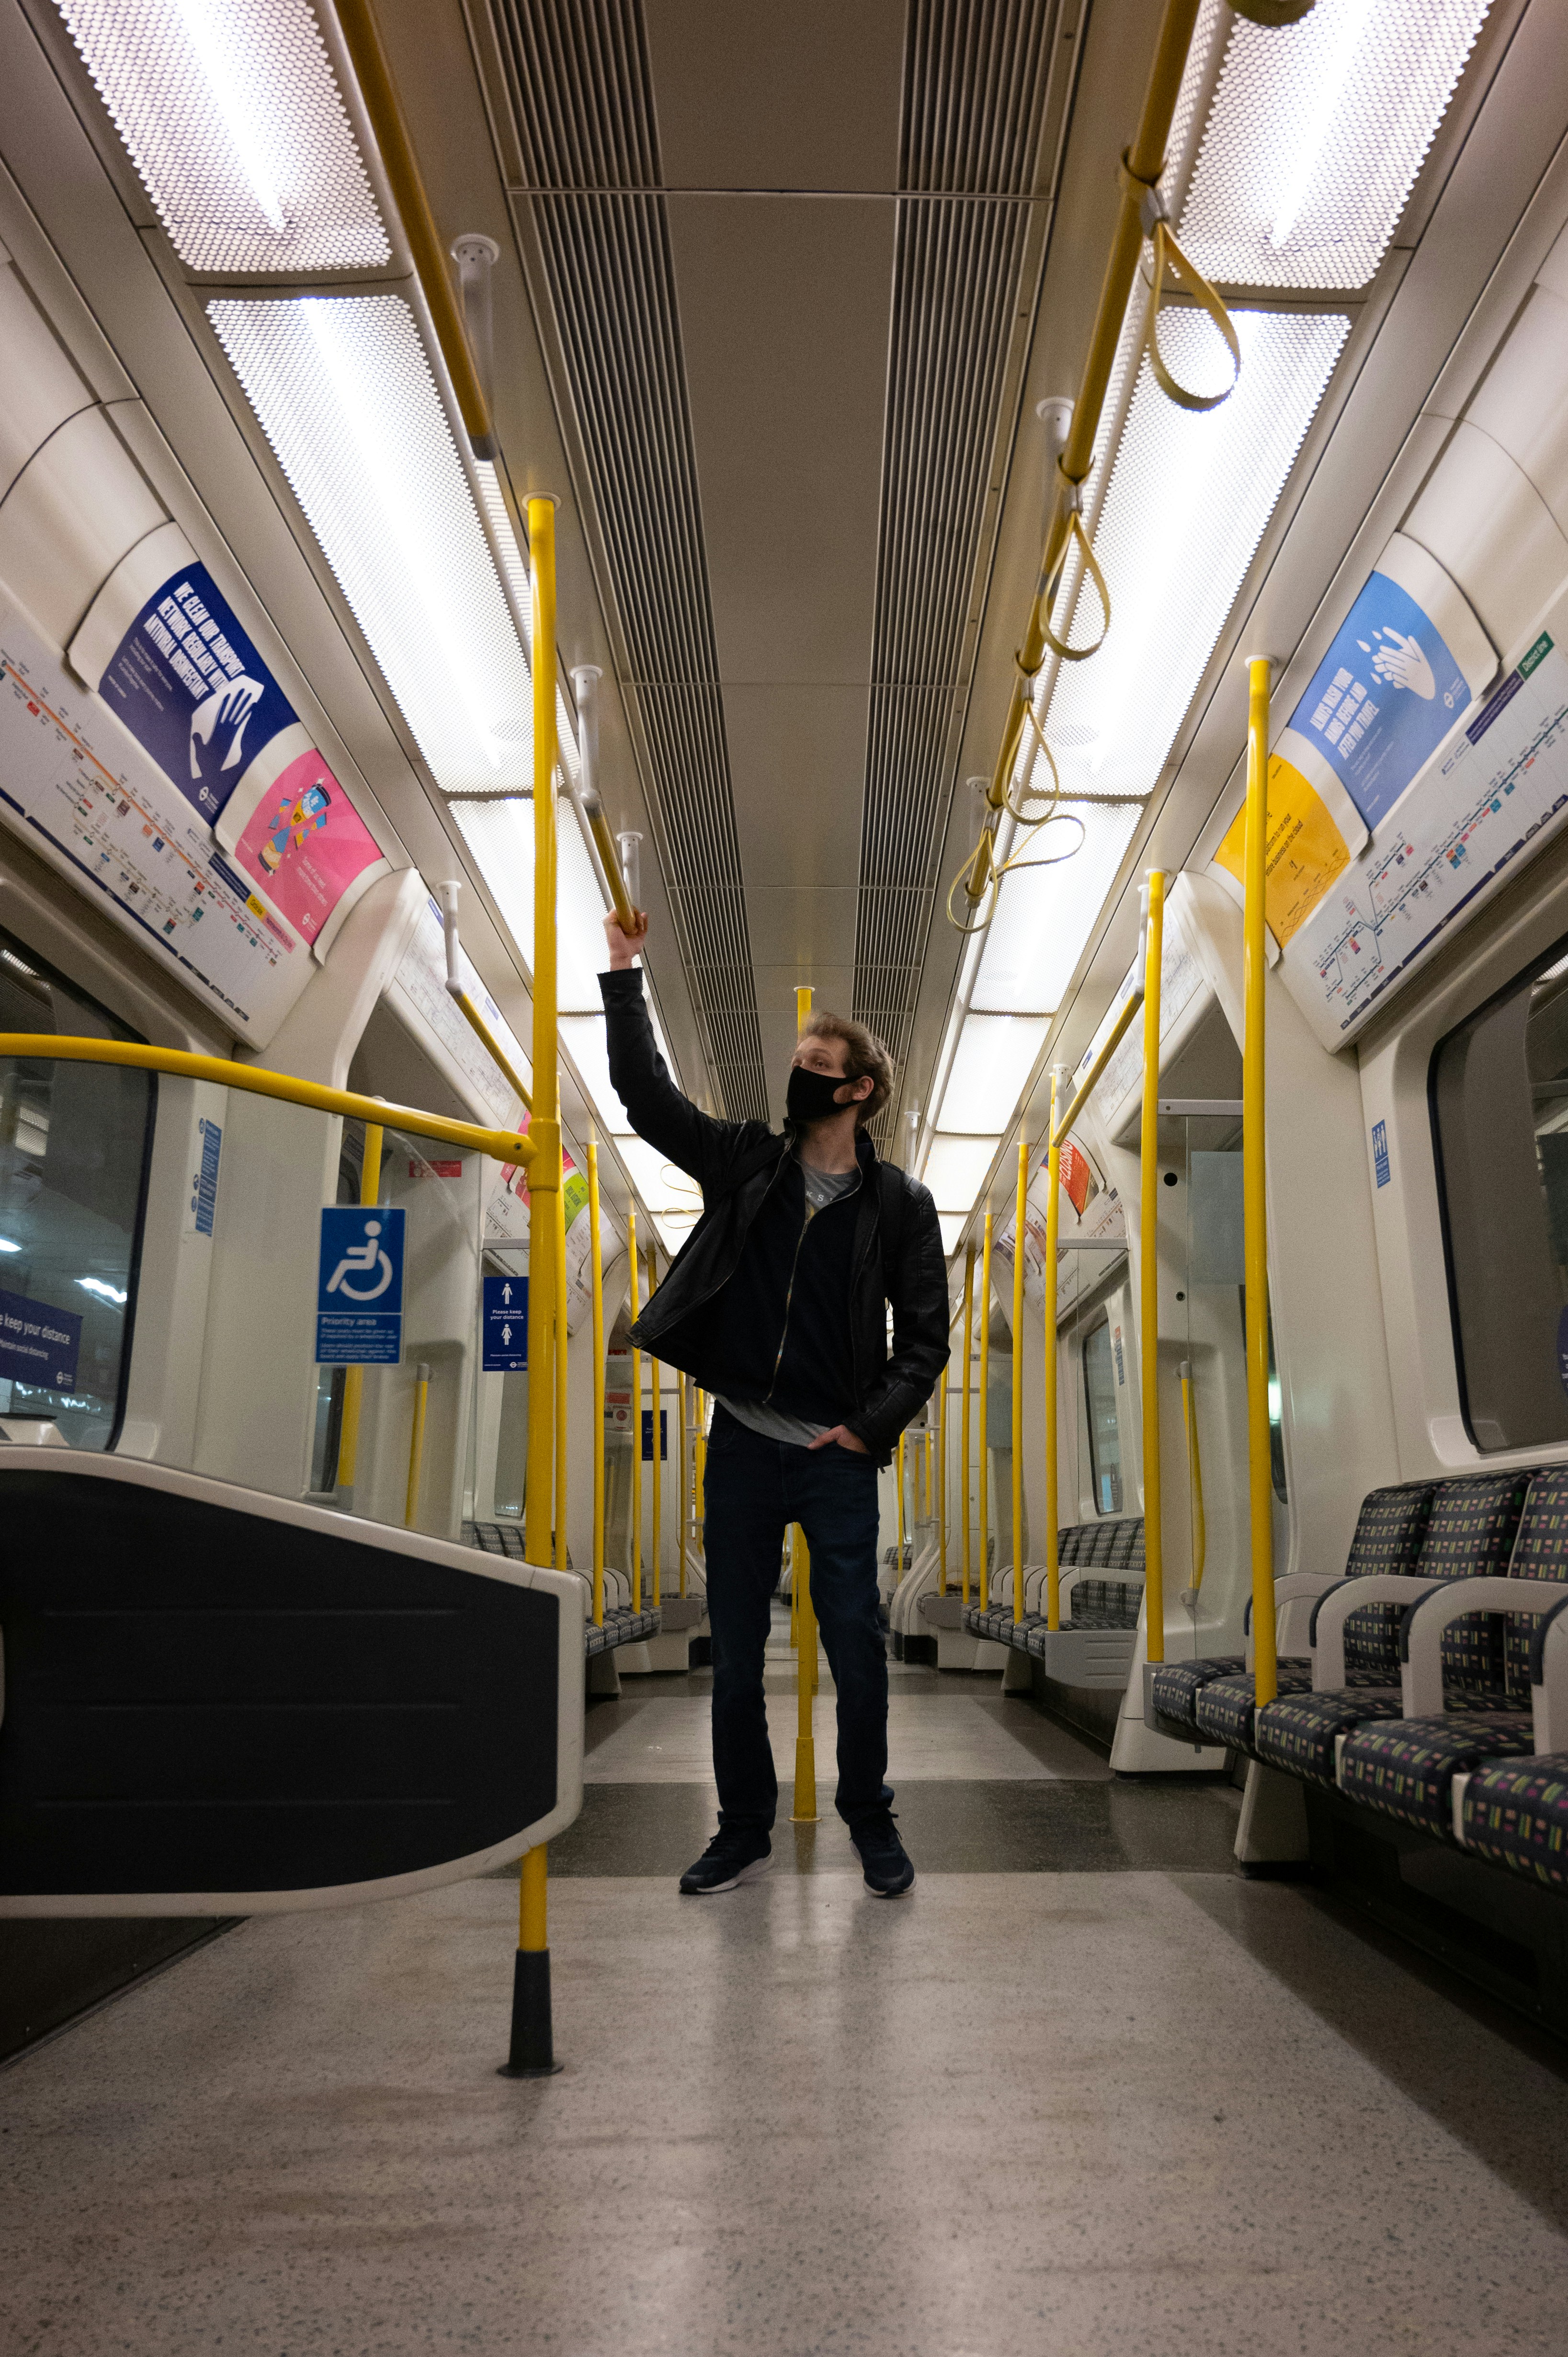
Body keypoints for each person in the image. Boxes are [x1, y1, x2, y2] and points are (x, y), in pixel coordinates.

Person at [600, 911, 948, 1899]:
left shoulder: (899, 1208)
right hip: (743, 1444)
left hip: (836, 1455)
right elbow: (647, 1099)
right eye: (793, 1061)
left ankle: (870, 1820)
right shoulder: (748, 1166)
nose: (794, 1076)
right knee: (739, 1654)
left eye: (812, 1063)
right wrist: (624, 975)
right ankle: (741, 1827)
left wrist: (865, 1430)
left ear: (857, 1088)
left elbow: (925, 1343)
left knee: (855, 1646)